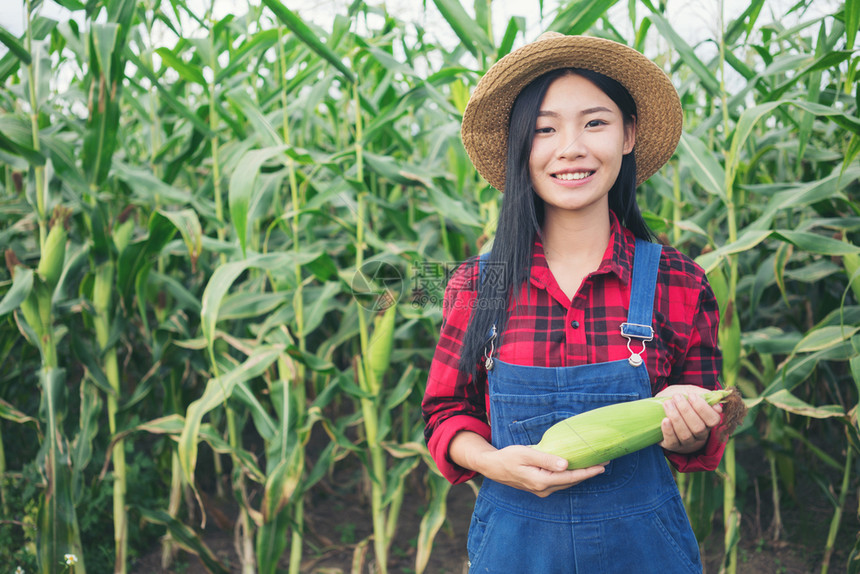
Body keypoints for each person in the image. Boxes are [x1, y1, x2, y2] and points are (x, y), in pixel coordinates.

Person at [422, 32, 727, 573]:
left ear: (629, 134)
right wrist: (495, 462)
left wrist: (695, 423)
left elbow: (706, 430)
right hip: (515, 553)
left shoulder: (679, 282)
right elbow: (447, 415)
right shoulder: (477, 285)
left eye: (595, 122)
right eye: (544, 129)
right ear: (522, 146)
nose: (571, 148)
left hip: (644, 553)